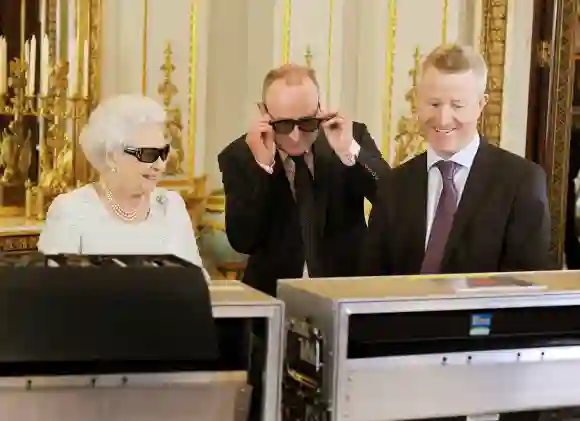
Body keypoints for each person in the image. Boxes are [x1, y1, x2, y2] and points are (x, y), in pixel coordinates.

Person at [362, 44, 553, 276]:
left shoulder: (521, 182)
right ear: (416, 100)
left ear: (481, 105)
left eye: (457, 105)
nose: (443, 119)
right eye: (433, 104)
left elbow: (525, 288)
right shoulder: (395, 185)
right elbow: (372, 282)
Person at [218, 64, 390, 296]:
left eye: (307, 123)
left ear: (320, 109)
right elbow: (242, 240)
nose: (295, 136)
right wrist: (262, 168)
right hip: (272, 297)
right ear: (264, 113)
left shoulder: (350, 136)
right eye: (283, 124)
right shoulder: (239, 155)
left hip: (344, 293)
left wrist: (348, 150)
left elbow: (391, 199)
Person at [38, 94, 207, 274]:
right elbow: (55, 291)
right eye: (148, 154)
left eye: (163, 153)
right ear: (112, 156)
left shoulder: (171, 206)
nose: (159, 165)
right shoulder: (71, 211)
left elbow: (197, 283)